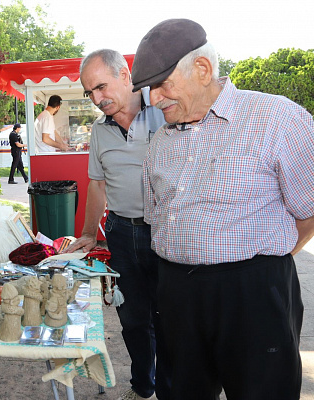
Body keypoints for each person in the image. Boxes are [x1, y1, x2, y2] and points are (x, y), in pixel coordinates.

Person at [133, 19, 314, 400]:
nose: (153, 99)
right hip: (176, 294)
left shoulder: (277, 119)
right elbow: (155, 219)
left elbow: (309, 210)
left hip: (254, 297)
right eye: (148, 88)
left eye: (162, 84)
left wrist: (255, 267)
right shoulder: (159, 142)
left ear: (202, 70)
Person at [66, 49, 170, 400]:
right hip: (122, 235)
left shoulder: (165, 110)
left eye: (101, 87)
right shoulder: (99, 130)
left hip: (168, 232)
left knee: (171, 317)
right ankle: (143, 385)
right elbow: (97, 183)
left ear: (126, 76)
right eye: (89, 92)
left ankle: (173, 388)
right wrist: (87, 232)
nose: (97, 99)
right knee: (133, 318)